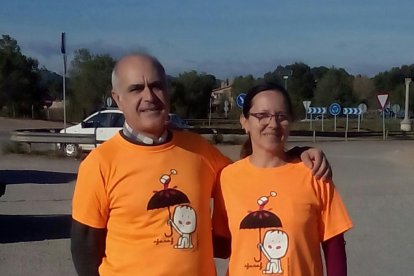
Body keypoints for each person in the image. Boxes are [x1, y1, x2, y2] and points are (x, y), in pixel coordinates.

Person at [70, 54, 332, 276]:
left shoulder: (199, 151)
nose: (149, 96)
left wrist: (297, 154)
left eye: (157, 86)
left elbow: (255, 174)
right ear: (117, 98)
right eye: (136, 88)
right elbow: (84, 246)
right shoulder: (99, 164)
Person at [213, 83, 353, 276]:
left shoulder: (314, 174)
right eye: (262, 115)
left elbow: (334, 247)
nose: (273, 123)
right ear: (244, 122)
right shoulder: (227, 178)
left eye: (282, 117)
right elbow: (221, 246)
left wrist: (300, 153)